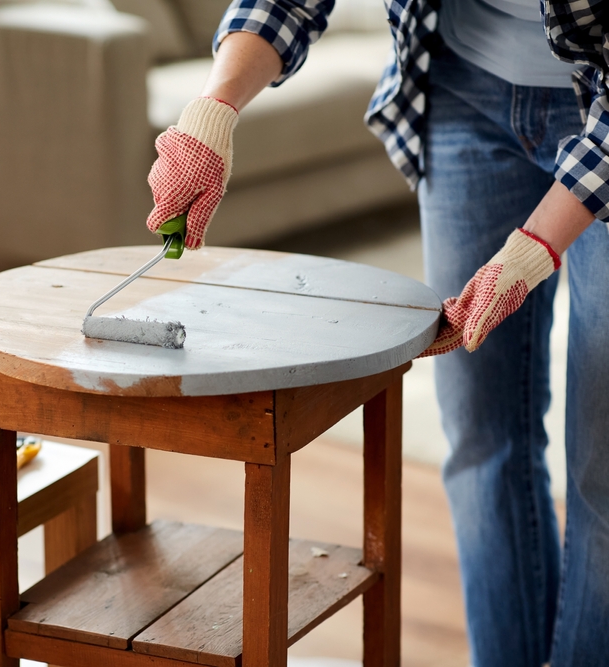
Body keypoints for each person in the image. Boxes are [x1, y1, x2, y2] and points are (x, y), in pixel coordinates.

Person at [145, 0, 609, 664]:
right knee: (480, 434)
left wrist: (538, 243)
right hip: (462, 84)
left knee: (603, 468)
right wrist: (213, 110)